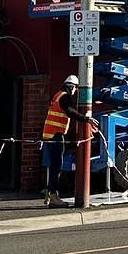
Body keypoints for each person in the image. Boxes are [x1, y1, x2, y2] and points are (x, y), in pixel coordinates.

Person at [41, 74, 83, 206]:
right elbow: (70, 111)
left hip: (49, 134)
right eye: (76, 88)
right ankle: (53, 196)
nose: (76, 91)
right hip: (56, 135)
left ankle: (49, 192)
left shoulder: (58, 94)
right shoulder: (65, 97)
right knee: (56, 166)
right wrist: (85, 119)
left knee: (53, 165)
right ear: (72, 87)